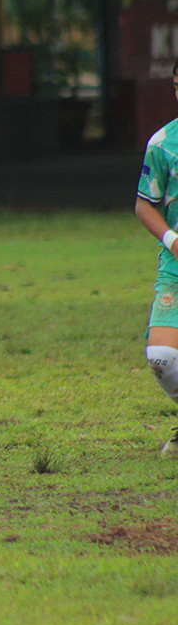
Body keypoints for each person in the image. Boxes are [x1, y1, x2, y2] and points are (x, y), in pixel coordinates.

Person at [136, 56, 178, 457]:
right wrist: (172, 240)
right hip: (176, 268)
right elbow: (144, 205)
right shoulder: (163, 143)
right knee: (162, 359)